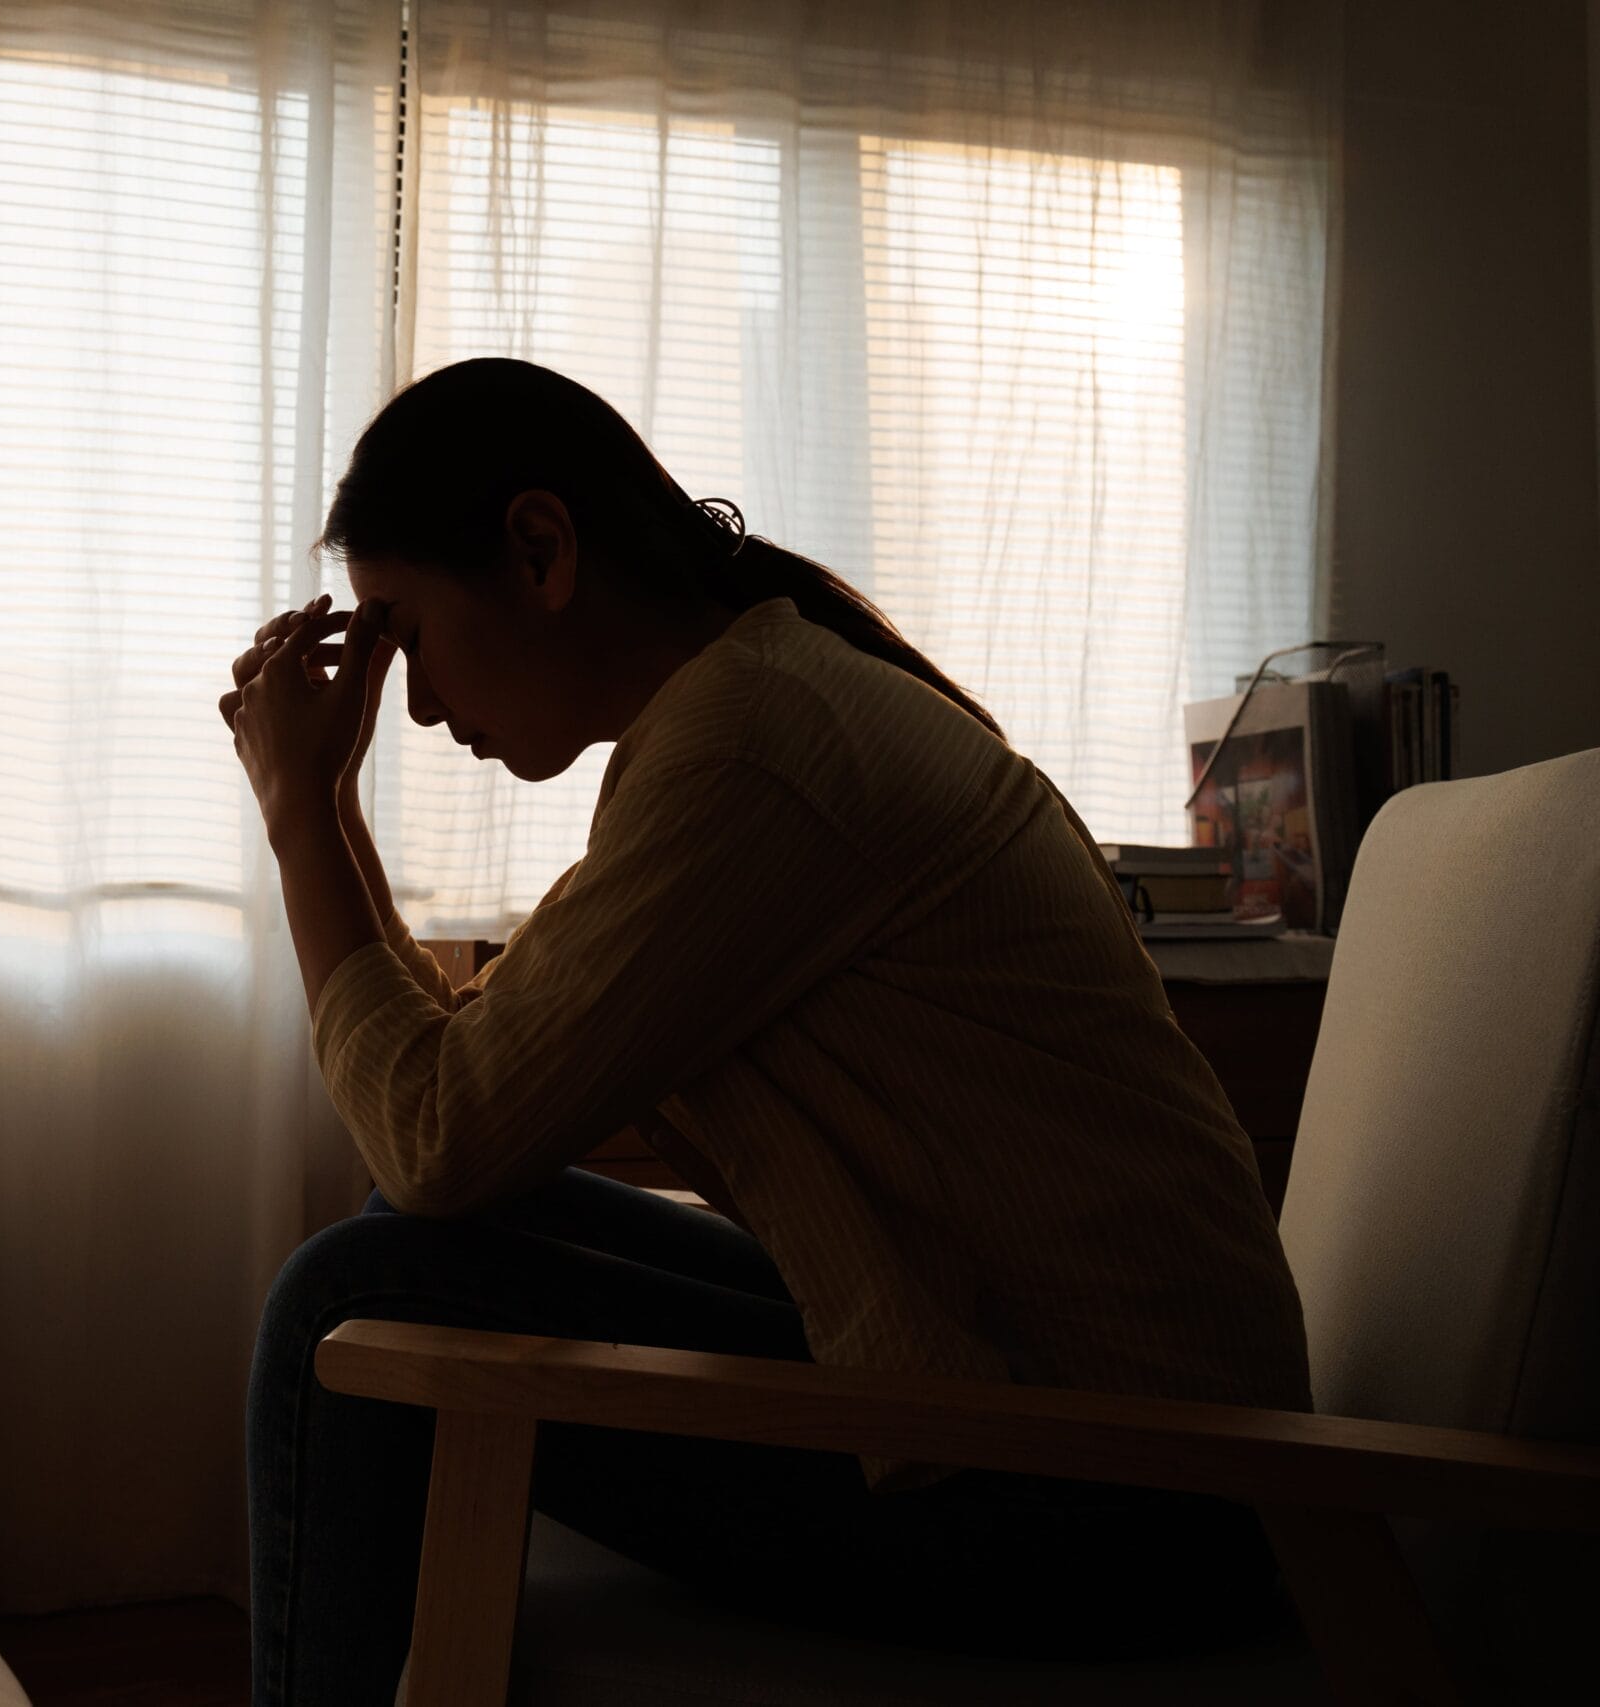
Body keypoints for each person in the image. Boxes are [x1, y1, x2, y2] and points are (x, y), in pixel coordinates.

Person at [218, 358, 1311, 1707]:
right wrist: (319, 812)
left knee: (347, 1294)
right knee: (418, 1240)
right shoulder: (745, 710)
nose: (421, 707)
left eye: (408, 637)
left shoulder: (751, 747)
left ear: (540, 550)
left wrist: (296, 818)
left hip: (1121, 1501)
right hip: (1078, 1433)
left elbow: (439, 1123)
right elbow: (451, 1104)